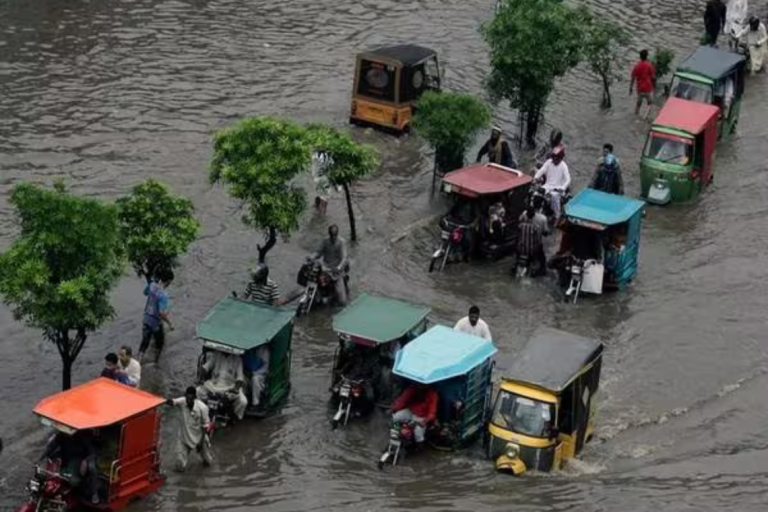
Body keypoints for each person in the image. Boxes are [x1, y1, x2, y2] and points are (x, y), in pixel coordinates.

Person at [166, 387, 213, 472]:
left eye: (191, 399)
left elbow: (206, 426)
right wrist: (164, 401)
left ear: (195, 397)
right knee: (180, 466)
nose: (189, 401)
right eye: (187, 398)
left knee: (207, 462)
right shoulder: (183, 401)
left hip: (199, 437)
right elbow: (173, 401)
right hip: (184, 437)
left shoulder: (203, 408)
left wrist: (201, 442)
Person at [197, 350, 248, 420]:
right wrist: (201, 373)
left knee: (243, 401)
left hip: (229, 387)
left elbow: (240, 378)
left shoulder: (238, 359)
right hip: (214, 385)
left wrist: (235, 389)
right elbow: (206, 367)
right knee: (197, 391)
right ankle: (201, 411)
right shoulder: (216, 355)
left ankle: (234, 417)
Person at [138, 268, 174, 363]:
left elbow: (145, 293)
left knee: (144, 342)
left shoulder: (152, 285)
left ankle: (139, 362)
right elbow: (161, 313)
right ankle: (155, 363)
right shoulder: (164, 295)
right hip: (155, 323)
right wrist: (170, 323)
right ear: (169, 281)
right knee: (159, 343)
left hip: (146, 318)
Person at [313, 224, 349, 306]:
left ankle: (334, 296)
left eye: (334, 235)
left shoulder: (341, 242)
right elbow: (319, 252)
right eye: (332, 235)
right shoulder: (325, 241)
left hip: (336, 271)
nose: (333, 237)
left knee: (342, 302)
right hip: (326, 268)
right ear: (329, 234)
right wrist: (312, 256)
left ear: (337, 234)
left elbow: (344, 257)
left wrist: (339, 267)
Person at [534, 145, 571, 221]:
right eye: (553, 157)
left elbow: (568, 179)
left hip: (557, 189)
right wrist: (536, 178)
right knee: (536, 194)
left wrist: (563, 188)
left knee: (554, 198)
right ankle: (535, 211)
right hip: (547, 186)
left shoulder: (564, 166)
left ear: (560, 158)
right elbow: (542, 170)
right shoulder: (549, 162)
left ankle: (557, 216)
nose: (554, 159)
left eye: (556, 157)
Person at [517, 207, 546, 277]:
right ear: (533, 216)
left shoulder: (520, 226)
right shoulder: (536, 227)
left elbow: (518, 237)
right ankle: (542, 270)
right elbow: (538, 241)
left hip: (521, 249)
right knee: (542, 258)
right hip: (531, 251)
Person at [242, 345, 270, 411]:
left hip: (259, 374)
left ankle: (255, 403)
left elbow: (265, 367)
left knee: (255, 379)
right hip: (247, 371)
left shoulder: (264, 350)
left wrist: (255, 373)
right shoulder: (248, 346)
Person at [629, 49, 656, 117]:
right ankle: (646, 116)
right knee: (649, 103)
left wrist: (631, 88)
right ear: (647, 56)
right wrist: (654, 86)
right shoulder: (649, 65)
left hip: (640, 88)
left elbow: (633, 77)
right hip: (647, 88)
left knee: (638, 104)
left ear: (640, 57)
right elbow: (653, 77)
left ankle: (636, 116)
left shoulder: (637, 66)